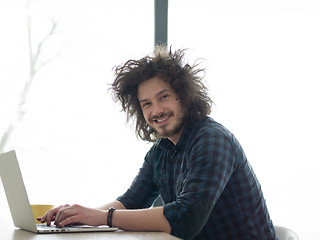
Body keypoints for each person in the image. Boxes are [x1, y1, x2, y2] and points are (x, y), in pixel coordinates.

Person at [39, 47, 278, 240]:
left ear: (184, 97)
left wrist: (102, 217)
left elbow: (186, 219)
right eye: (146, 104)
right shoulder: (161, 151)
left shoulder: (212, 139)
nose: (156, 110)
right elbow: (130, 201)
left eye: (163, 97)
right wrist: (77, 218)